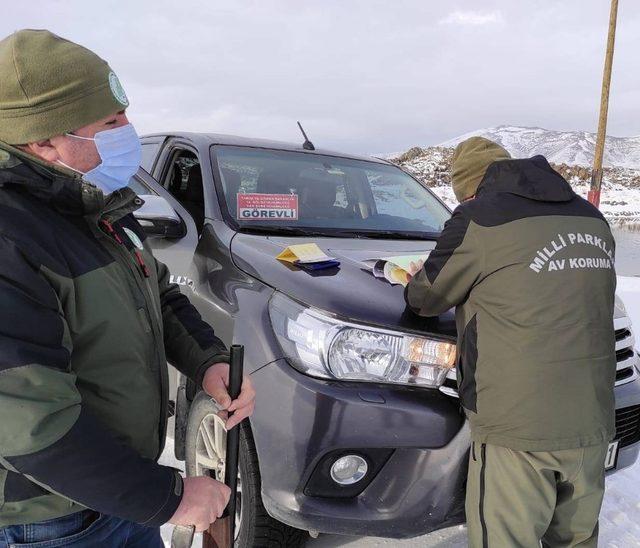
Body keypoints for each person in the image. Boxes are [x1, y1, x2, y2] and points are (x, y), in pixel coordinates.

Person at [0, 30, 255, 547]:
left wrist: (209, 361)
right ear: (44, 140)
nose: (128, 131)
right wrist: (171, 497)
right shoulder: (12, 236)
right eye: (111, 122)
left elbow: (158, 294)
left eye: (125, 115)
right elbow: (29, 424)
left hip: (120, 496)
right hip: (48, 519)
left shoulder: (99, 206)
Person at [405, 136, 617, 547]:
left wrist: (417, 277)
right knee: (576, 540)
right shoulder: (593, 219)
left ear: (470, 188)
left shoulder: (479, 219)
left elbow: (424, 298)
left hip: (517, 427)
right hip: (591, 417)